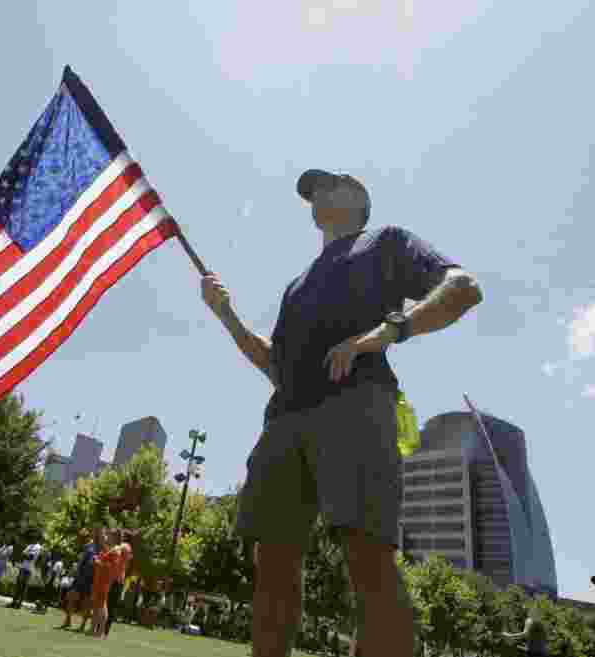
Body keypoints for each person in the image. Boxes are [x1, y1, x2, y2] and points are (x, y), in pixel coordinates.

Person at [202, 168, 482, 657]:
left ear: (357, 196)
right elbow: (277, 365)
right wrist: (226, 316)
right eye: (311, 193)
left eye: (327, 186)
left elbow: (462, 287)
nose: (315, 197)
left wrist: (386, 332)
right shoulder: (297, 284)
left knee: (367, 558)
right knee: (272, 563)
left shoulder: (388, 241)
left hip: (357, 404)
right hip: (285, 418)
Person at [61, 531, 100, 630]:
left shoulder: (90, 548)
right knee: (72, 598)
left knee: (84, 602)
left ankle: (80, 624)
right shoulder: (89, 547)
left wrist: (78, 572)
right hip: (82, 578)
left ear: (84, 538)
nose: (77, 540)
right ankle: (69, 621)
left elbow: (90, 564)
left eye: (79, 538)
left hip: (86, 579)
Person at [88, 529, 121, 636]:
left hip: (105, 581)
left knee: (102, 605)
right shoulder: (107, 549)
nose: (107, 536)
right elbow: (101, 559)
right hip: (99, 579)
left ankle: (100, 631)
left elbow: (112, 567)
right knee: (97, 605)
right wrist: (97, 559)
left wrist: (98, 562)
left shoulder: (115, 551)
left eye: (109, 535)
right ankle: (92, 629)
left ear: (114, 537)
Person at [103, 529, 134, 638]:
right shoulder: (123, 547)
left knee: (109, 606)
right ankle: (102, 629)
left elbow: (119, 553)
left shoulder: (124, 547)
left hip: (116, 581)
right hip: (114, 579)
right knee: (107, 605)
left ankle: (104, 631)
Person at [10, 540, 42, 609]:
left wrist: (25, 555)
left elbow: (31, 557)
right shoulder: (30, 545)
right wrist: (25, 555)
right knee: (18, 585)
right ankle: (13, 602)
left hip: (28, 569)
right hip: (23, 567)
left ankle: (19, 604)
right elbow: (23, 554)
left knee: (23, 587)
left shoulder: (38, 547)